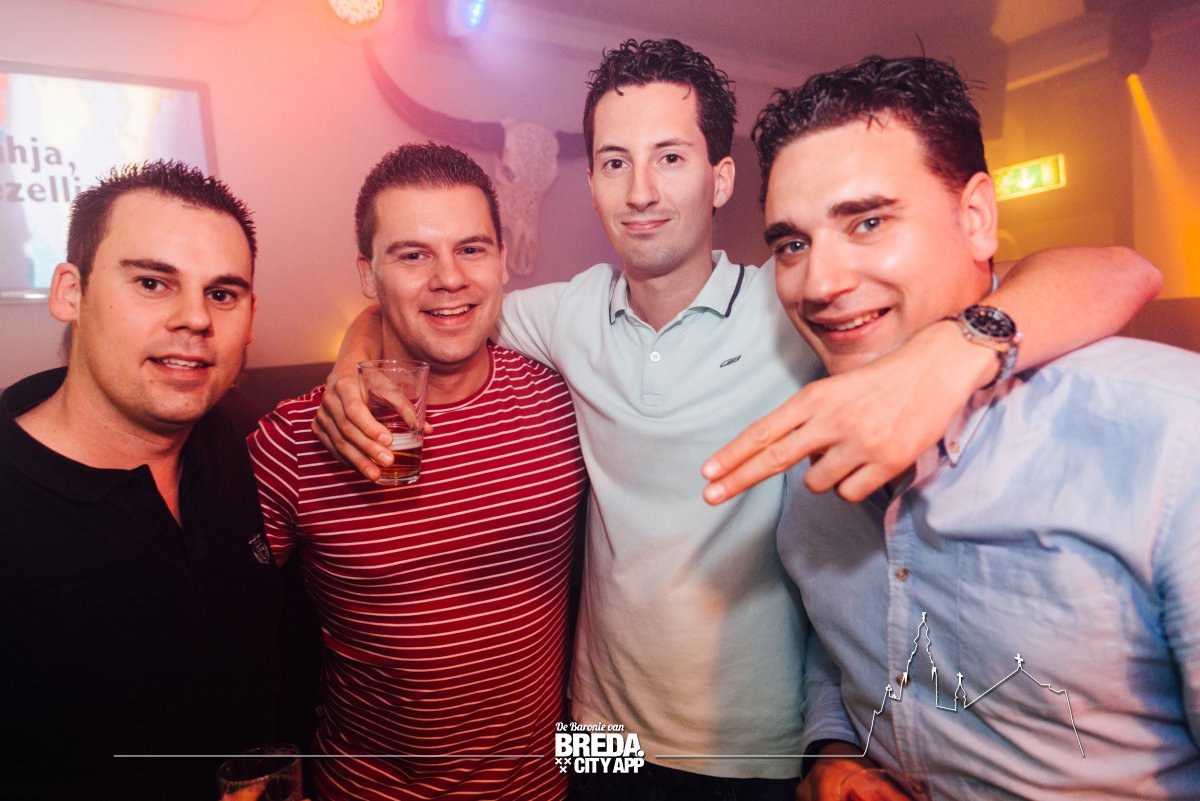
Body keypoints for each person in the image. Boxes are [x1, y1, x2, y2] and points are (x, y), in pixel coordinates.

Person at [315, 40, 1160, 799]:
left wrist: (951, 351)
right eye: (614, 162)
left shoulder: (803, 302)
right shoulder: (566, 314)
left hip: (753, 746)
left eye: (670, 157)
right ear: (592, 182)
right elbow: (437, 303)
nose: (641, 191)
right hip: (594, 730)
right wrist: (356, 355)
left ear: (720, 179)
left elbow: (1116, 270)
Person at [754, 55, 1200, 799]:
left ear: (976, 218)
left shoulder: (1170, 436)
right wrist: (834, 746)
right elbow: (842, 642)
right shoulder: (812, 461)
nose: (820, 284)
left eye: (868, 221)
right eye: (792, 244)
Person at [247, 143, 586, 801]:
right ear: (368, 274)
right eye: (412, 255)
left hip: (540, 788)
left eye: (471, 248)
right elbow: (212, 630)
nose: (449, 278)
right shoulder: (297, 437)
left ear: (503, 258)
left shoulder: (562, 400)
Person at [0, 160, 281, 801]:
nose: (195, 318)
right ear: (70, 293)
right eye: (153, 282)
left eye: (222, 294)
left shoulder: (240, 441)